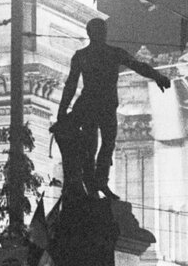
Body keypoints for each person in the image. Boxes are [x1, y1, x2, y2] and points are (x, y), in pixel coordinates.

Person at [51, 17, 172, 199]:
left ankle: (98, 183)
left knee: (103, 144)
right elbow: (71, 84)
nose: (102, 34)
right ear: (94, 33)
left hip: (96, 105)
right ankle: (95, 183)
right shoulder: (102, 54)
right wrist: (157, 76)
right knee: (97, 145)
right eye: (100, 31)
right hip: (98, 105)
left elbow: (138, 66)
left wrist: (157, 76)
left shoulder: (93, 54)